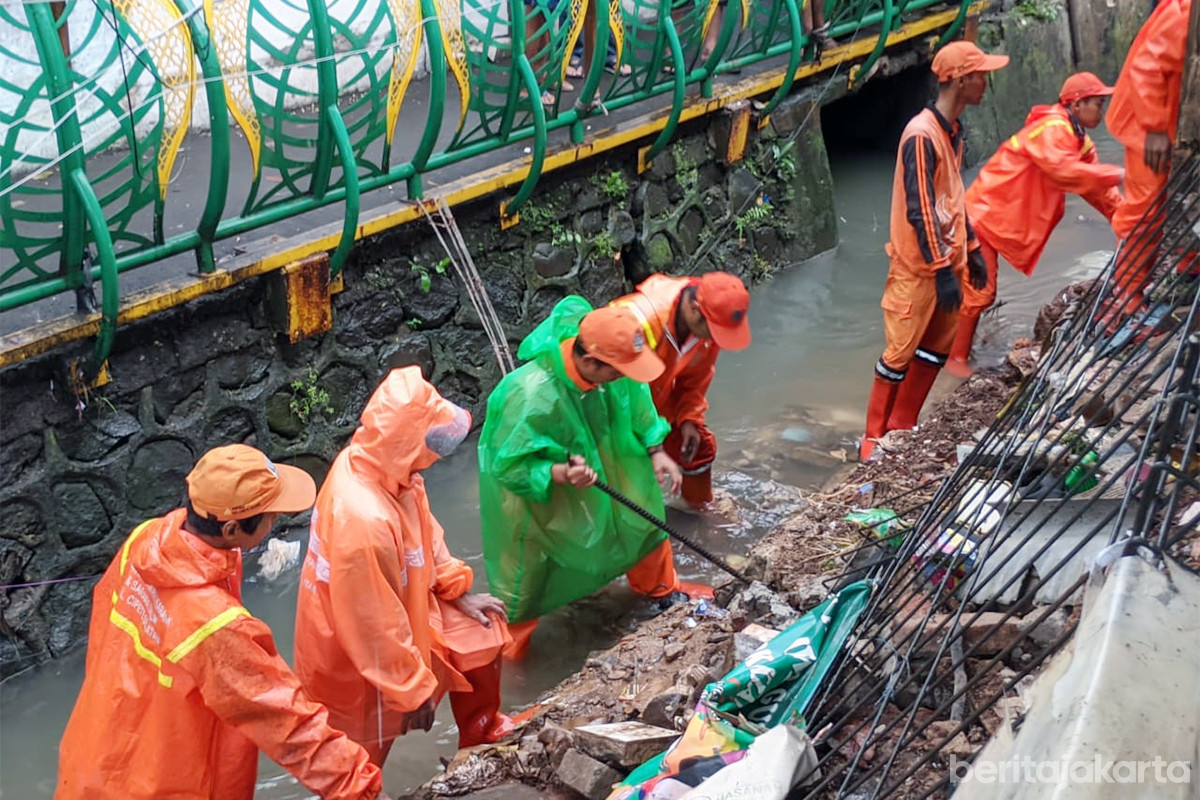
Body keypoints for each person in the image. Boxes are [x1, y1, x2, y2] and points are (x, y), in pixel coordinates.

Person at [56, 444, 388, 800]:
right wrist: (361, 788)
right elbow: (286, 720)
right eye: (270, 516)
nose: (276, 521)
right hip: (164, 786)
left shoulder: (145, 541)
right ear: (231, 531)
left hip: (92, 766)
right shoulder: (215, 626)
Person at [293, 367, 515, 767]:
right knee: (358, 766)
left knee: (483, 633)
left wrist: (454, 588)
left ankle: (481, 731)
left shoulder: (391, 469)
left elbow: (424, 530)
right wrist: (412, 692)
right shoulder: (360, 519)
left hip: (406, 611)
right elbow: (372, 626)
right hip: (358, 658)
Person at [478, 296, 684, 659]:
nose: (624, 377)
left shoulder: (616, 368)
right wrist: (558, 473)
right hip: (543, 493)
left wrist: (657, 450)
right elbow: (507, 467)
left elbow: (638, 407)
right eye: (618, 372)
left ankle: (661, 591)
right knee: (526, 576)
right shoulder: (529, 396)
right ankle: (511, 662)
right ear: (590, 361)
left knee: (643, 519)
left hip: (610, 462)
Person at [860, 40, 1008, 461]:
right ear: (960, 80)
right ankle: (871, 442)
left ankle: (902, 426)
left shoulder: (953, 131)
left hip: (949, 261)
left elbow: (953, 197)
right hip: (918, 269)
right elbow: (920, 207)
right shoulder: (921, 135)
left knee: (934, 350)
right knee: (898, 354)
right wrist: (943, 269)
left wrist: (973, 249)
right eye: (981, 75)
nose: (986, 83)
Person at [949, 72, 1124, 376]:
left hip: (996, 217)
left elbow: (1098, 191)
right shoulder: (1053, 129)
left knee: (977, 292)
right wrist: (1120, 174)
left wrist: (1125, 217)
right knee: (981, 292)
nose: (1102, 110)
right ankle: (956, 359)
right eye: (1098, 103)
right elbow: (1063, 171)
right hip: (983, 213)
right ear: (1078, 103)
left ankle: (955, 342)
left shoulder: (1080, 141)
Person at [610, 271, 752, 508]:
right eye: (716, 331)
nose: (716, 339)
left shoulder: (706, 328)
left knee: (698, 446)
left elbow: (695, 381)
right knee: (629, 482)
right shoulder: (638, 320)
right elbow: (613, 391)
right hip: (618, 412)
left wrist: (689, 419)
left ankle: (696, 510)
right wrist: (652, 444)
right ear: (695, 308)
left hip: (655, 403)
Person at [1105, 0, 1192, 316]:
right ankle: (1127, 295)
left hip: (1178, 121)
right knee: (1146, 209)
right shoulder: (1186, 14)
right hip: (1147, 123)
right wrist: (1154, 127)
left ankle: (1188, 269)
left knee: (1186, 195)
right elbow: (1147, 66)